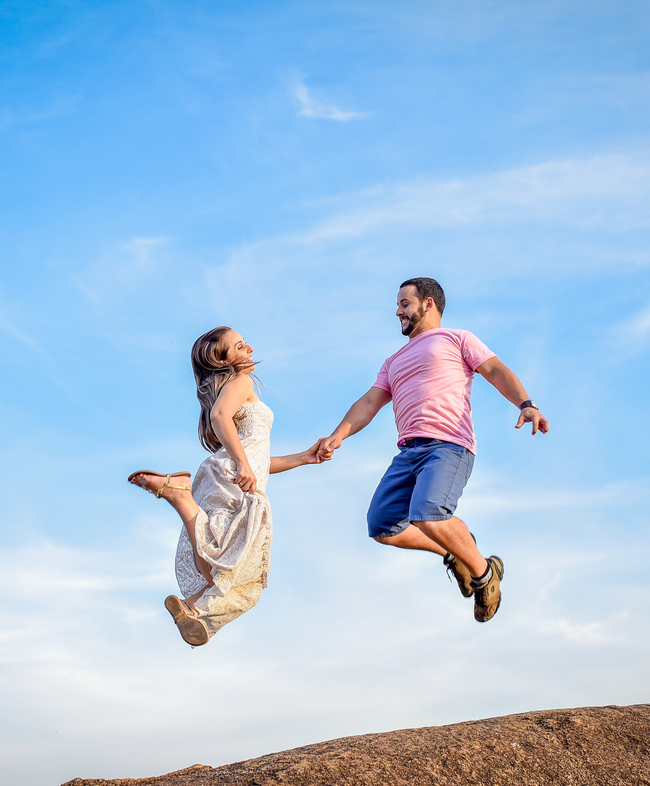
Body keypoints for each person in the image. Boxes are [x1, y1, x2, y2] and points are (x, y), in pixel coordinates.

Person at [318, 277, 549, 623]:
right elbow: (369, 402)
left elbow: (496, 370)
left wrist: (525, 403)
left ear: (428, 304)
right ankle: (453, 551)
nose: (398, 311)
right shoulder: (393, 361)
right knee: (381, 525)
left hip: (448, 445)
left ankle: (485, 574)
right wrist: (338, 435)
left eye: (404, 304)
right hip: (408, 452)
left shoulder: (457, 339)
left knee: (427, 512)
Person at [129, 327, 325, 646]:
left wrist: (304, 458)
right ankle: (181, 498)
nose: (249, 347)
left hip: (227, 471)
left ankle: (195, 612)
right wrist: (244, 465)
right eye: (238, 346)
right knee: (242, 572)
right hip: (234, 475)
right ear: (224, 360)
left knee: (224, 566)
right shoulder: (242, 382)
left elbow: (257, 457)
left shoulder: (236, 389)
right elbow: (221, 418)